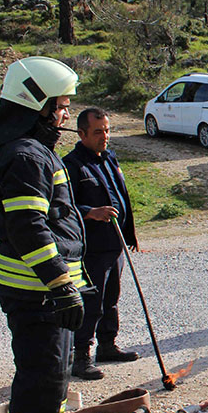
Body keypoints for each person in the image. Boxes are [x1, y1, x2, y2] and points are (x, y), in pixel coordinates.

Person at [0, 57, 97, 413]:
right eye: (60, 106)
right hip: (36, 292)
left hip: (42, 291)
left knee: (55, 376)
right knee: (40, 380)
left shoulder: (32, 151)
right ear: (37, 105)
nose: (64, 116)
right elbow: (28, 227)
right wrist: (61, 284)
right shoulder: (25, 156)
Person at [62, 108, 140, 381]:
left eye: (107, 130)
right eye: (98, 132)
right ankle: (81, 356)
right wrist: (90, 211)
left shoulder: (108, 158)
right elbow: (61, 206)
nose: (104, 136)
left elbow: (122, 196)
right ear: (81, 133)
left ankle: (107, 346)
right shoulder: (71, 165)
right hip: (91, 247)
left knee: (111, 299)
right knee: (91, 301)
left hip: (115, 244)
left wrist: (129, 236)